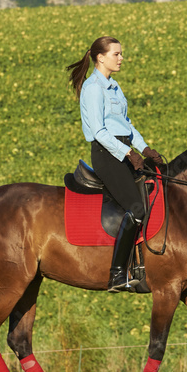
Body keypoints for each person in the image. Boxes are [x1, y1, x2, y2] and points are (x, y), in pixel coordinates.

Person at [68, 36, 164, 292]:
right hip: (106, 154)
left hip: (122, 149)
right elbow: (99, 132)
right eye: (116, 54)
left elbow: (127, 124)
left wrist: (144, 148)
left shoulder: (114, 86)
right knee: (137, 208)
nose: (121, 58)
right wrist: (128, 154)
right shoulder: (93, 88)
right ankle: (117, 274)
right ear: (101, 57)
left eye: (121, 54)